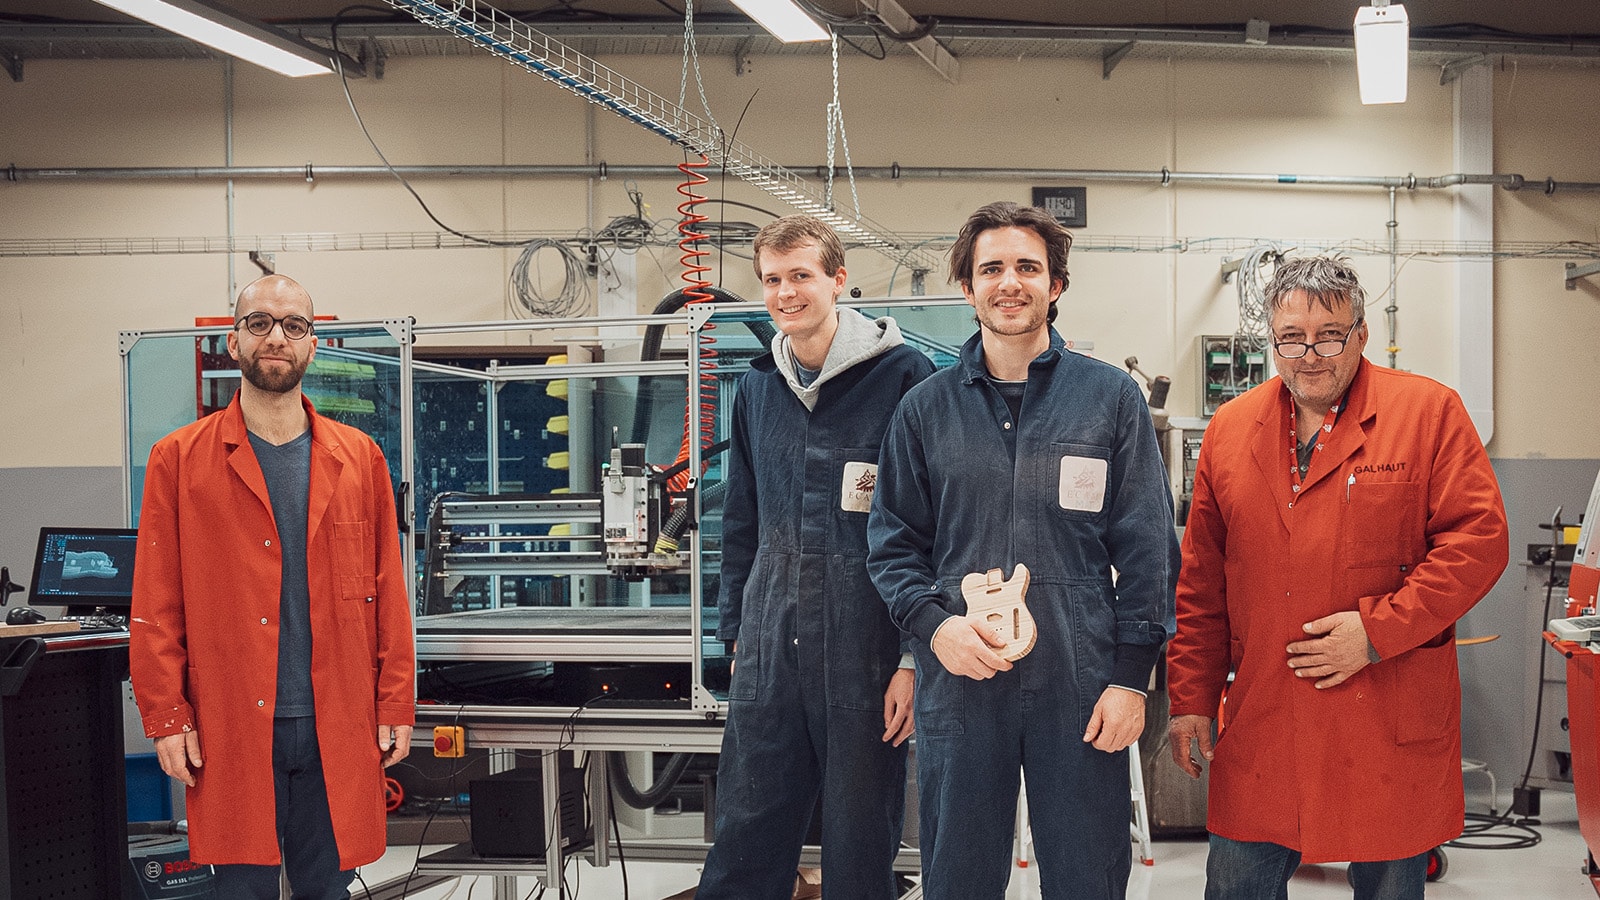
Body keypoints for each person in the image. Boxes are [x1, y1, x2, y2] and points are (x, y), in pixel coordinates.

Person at [1166, 255, 1510, 900]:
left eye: (1329, 336)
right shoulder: (1231, 430)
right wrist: (1190, 697)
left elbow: (1478, 542)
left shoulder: (1427, 412)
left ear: (1361, 334)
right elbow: (1201, 582)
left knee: (1389, 884)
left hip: (1381, 705)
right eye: (1291, 338)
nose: (1310, 355)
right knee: (1238, 883)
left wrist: (1378, 632)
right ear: (1272, 341)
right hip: (1266, 711)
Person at [867, 201, 1178, 899]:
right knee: (958, 877)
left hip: (1081, 677)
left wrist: (1132, 678)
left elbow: (1149, 549)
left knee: (1088, 876)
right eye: (992, 269)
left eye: (1028, 268)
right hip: (963, 671)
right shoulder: (925, 409)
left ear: (1055, 284)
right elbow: (892, 545)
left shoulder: (1110, 399)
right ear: (968, 287)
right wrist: (935, 630)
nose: (1010, 282)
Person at [130, 274, 415, 900]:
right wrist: (167, 717)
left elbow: (389, 595)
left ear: (313, 344)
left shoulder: (360, 458)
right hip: (229, 722)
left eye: (293, 325)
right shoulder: (178, 460)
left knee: (328, 889)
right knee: (241, 889)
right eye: (259, 323)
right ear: (234, 342)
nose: (276, 337)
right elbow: (155, 604)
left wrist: (396, 702)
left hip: (338, 720)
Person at [697, 215, 934, 900]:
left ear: (838, 279)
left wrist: (912, 659)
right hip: (771, 639)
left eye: (800, 275)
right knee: (747, 831)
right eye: (772, 279)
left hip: (868, 640)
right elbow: (741, 519)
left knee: (860, 842)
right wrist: (737, 635)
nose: (785, 293)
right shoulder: (759, 389)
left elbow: (932, 527)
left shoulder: (904, 377)